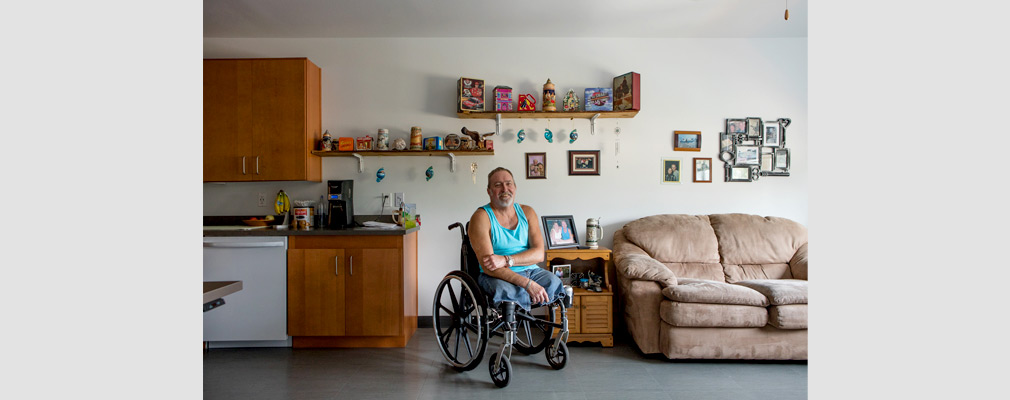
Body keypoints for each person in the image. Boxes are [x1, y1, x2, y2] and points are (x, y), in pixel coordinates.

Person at [469, 167, 566, 311]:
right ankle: (511, 329)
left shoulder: (527, 212)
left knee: (554, 282)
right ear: (489, 191)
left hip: (532, 271)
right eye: (497, 185)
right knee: (508, 292)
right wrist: (527, 284)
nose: (504, 189)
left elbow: (539, 254)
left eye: (509, 184)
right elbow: (489, 267)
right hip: (498, 275)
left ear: (515, 188)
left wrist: (506, 260)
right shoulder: (481, 217)